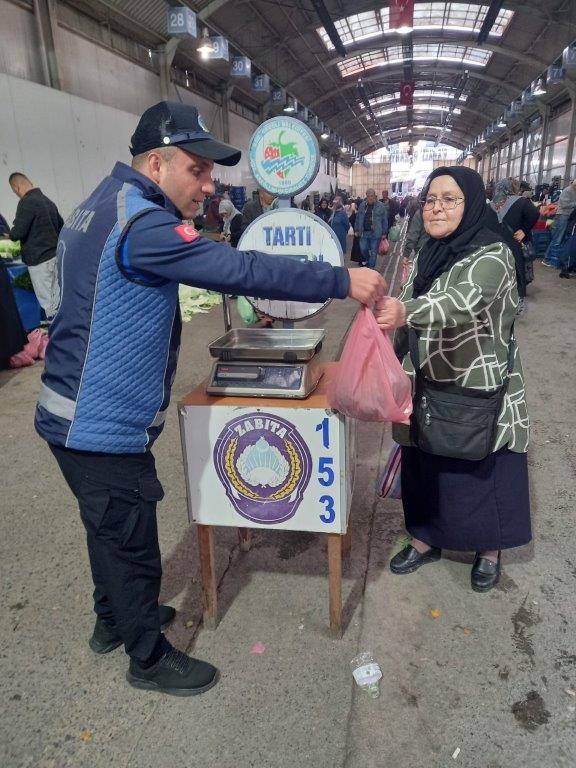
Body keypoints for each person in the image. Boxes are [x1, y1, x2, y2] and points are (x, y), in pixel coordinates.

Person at [35, 100, 386, 697]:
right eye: (196, 170)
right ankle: (147, 656)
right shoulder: (144, 226)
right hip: (98, 422)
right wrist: (338, 278)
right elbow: (238, 269)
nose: (208, 186)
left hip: (69, 411)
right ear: (155, 164)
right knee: (131, 541)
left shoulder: (98, 204)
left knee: (107, 530)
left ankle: (113, 619)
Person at [375, 166, 531, 593]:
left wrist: (406, 312)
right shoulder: (430, 251)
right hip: (428, 381)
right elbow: (409, 297)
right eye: (430, 199)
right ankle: (427, 538)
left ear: (473, 203)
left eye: (449, 199)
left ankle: (489, 550)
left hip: (478, 386)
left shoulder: (493, 254)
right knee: (427, 464)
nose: (436, 208)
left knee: (480, 468)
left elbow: (462, 301)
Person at [8, 172, 63, 322]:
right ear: (30, 182)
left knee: (49, 306)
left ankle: (57, 334)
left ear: (17, 188)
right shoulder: (48, 201)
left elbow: (17, 233)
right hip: (55, 258)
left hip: (39, 262)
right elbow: (61, 227)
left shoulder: (26, 202)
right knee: (59, 301)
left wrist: (9, 234)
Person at [490, 179, 539, 314]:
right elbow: (535, 214)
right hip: (514, 243)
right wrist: (524, 230)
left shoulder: (492, 203)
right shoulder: (522, 201)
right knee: (517, 272)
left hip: (495, 245)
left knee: (496, 273)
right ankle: (518, 302)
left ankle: (497, 301)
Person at [542, 179, 576, 267]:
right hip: (562, 217)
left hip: (565, 217)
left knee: (559, 238)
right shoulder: (567, 191)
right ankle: (547, 259)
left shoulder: (572, 191)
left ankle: (552, 259)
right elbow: (564, 205)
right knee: (557, 239)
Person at [354, 188, 388, 269]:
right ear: (366, 196)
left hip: (376, 233)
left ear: (375, 196)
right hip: (364, 232)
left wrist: (384, 232)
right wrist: (356, 229)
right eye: (368, 196)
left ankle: (371, 268)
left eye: (372, 196)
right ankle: (369, 261)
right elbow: (358, 218)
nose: (370, 198)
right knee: (363, 249)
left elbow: (384, 220)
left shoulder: (381, 206)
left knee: (374, 251)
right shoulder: (362, 205)